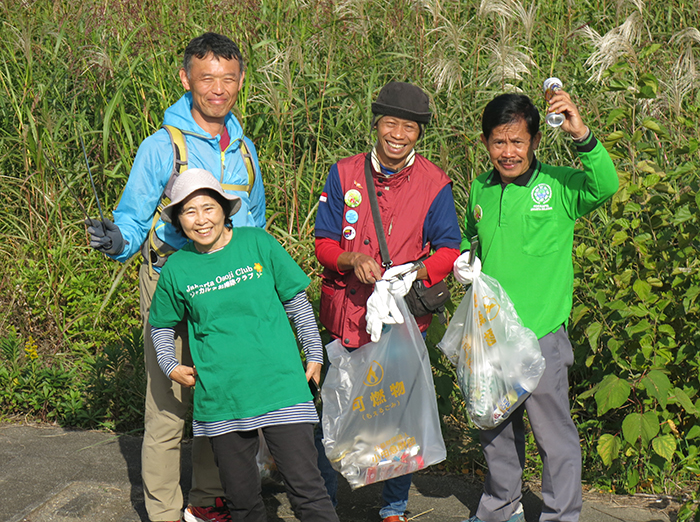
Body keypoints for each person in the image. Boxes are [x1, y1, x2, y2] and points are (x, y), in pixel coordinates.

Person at [85, 32, 266, 522]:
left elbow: (256, 226)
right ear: (186, 78)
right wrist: (116, 241)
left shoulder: (245, 149)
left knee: (219, 397)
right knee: (168, 404)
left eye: (228, 79)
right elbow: (133, 218)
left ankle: (207, 500)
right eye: (206, 77)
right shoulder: (160, 146)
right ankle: (164, 512)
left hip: (231, 292)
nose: (218, 88)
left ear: (241, 81)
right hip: (171, 283)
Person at [453, 90, 619, 522]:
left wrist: (581, 133)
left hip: (541, 332)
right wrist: (464, 261)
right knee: (495, 430)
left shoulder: (560, 186)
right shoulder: (481, 189)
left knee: (553, 436)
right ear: (486, 142)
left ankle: (562, 515)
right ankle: (500, 508)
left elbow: (606, 184)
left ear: (534, 142)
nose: (507, 153)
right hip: (490, 336)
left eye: (517, 142)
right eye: (497, 142)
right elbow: (473, 237)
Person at [148, 167, 339, 522]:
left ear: (224, 208)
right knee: (243, 504)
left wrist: (314, 351)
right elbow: (161, 324)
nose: (201, 220)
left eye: (208, 208)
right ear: (178, 220)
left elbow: (295, 301)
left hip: (281, 388)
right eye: (189, 211)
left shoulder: (258, 243)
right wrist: (169, 364)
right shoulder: (179, 268)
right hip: (221, 399)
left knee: (308, 494)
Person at [314, 81, 461, 522]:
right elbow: (322, 242)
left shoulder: (435, 183)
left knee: (397, 415)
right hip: (347, 315)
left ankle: (393, 507)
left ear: (420, 133)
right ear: (376, 124)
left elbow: (449, 249)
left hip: (401, 320)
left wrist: (413, 272)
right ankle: (325, 503)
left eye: (410, 127)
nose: (398, 134)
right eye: (390, 123)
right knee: (335, 412)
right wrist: (350, 257)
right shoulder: (344, 174)